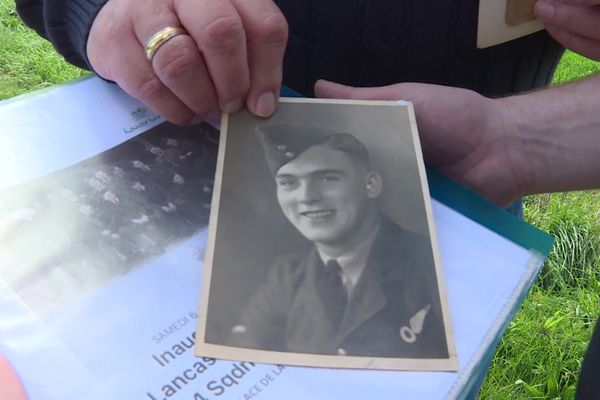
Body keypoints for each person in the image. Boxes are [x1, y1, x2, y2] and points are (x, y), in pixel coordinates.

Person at [228, 123, 449, 358]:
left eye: (326, 178)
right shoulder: (287, 277)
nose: (306, 197)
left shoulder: (431, 263)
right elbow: (241, 354)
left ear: (370, 184)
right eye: (288, 183)